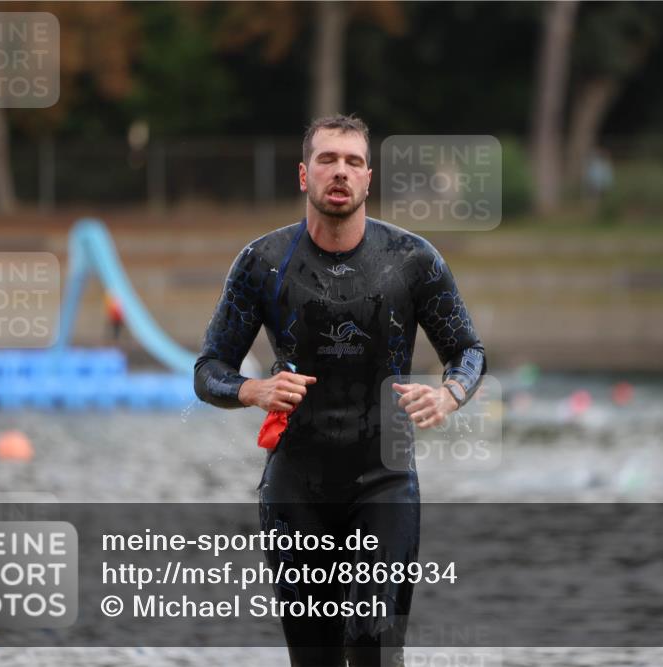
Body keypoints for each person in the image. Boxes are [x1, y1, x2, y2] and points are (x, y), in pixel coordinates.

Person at [194, 114, 487, 666]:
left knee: (373, 646)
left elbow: (469, 352)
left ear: (368, 179)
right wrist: (254, 390)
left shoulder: (413, 261)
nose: (340, 172)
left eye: (353, 162)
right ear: (304, 175)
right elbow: (208, 369)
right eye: (327, 159)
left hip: (385, 479)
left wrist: (450, 393)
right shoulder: (262, 263)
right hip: (294, 487)